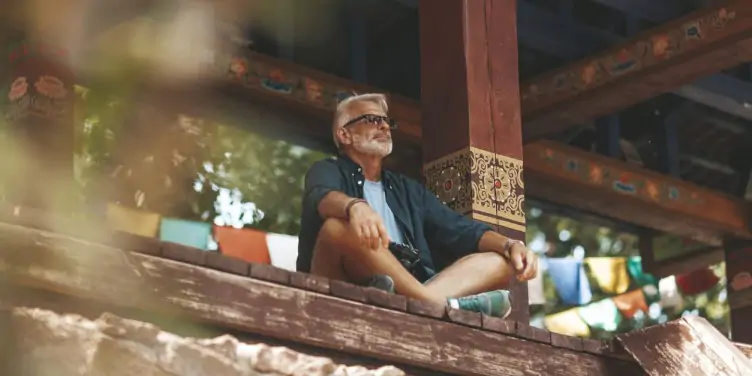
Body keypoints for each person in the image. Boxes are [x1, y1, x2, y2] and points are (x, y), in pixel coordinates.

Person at [297, 93, 539, 318]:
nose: (384, 126)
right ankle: (437, 304)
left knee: (499, 262)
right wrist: (355, 207)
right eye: (371, 119)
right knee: (336, 228)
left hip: (402, 289)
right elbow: (321, 196)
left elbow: (462, 230)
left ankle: (423, 300)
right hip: (340, 286)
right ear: (344, 135)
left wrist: (511, 245)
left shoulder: (408, 190)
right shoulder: (327, 169)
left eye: (386, 121)